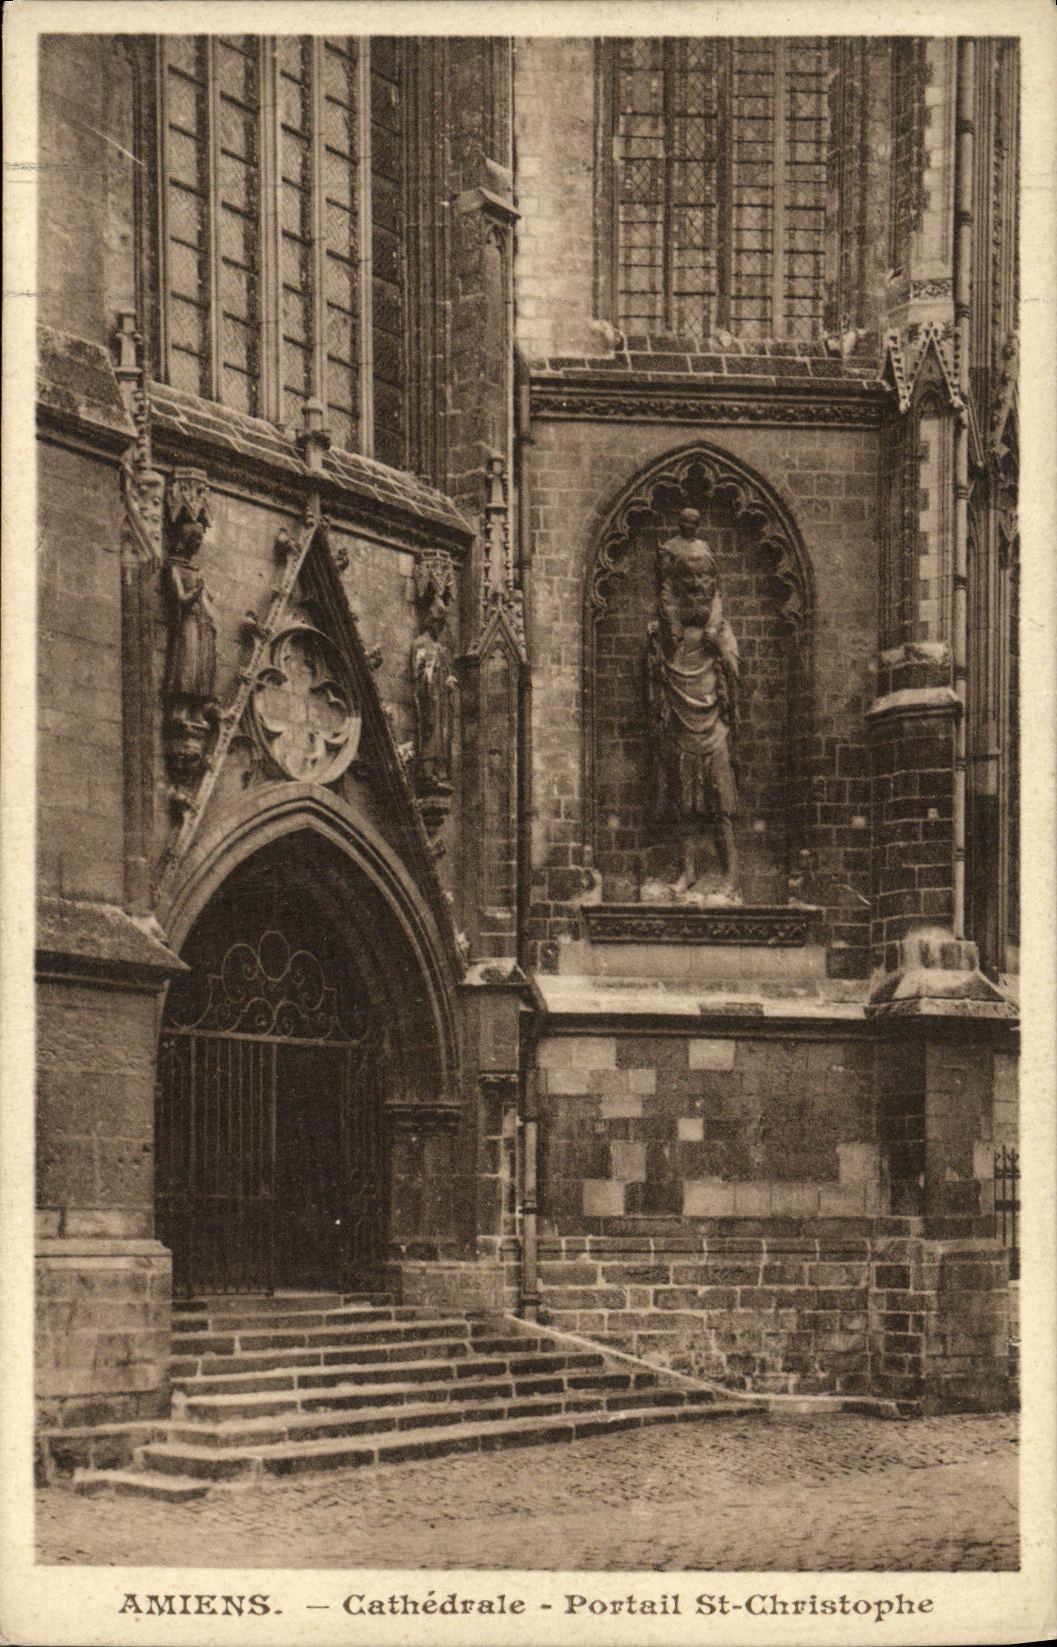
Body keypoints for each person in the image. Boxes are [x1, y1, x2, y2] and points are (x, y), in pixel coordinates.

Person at [645, 508, 740, 900]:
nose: (698, 584)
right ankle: (687, 871)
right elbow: (656, 677)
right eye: (691, 579)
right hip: (683, 725)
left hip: (713, 727)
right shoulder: (672, 636)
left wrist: (721, 650)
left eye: (705, 577)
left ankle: (731, 876)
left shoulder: (720, 632)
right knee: (684, 804)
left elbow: (735, 673)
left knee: (721, 804)